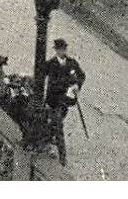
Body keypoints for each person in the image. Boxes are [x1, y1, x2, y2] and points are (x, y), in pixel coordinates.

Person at [41, 38, 86, 166]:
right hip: (54, 99)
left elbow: (82, 75)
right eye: (59, 49)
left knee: (56, 122)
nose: (62, 52)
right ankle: (62, 157)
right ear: (55, 50)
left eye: (63, 49)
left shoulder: (72, 63)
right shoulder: (50, 64)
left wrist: (77, 85)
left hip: (66, 100)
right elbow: (43, 77)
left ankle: (47, 140)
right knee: (57, 123)